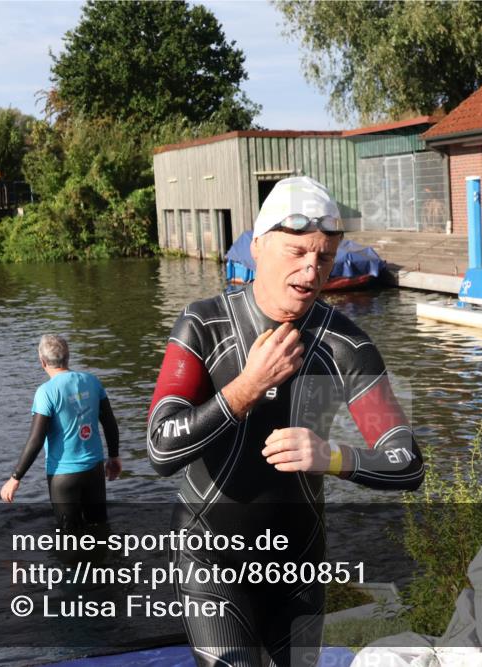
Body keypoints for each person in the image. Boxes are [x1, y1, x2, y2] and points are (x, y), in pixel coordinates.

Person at [147, 176, 424, 666]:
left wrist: (333, 456)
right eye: (296, 252)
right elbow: (161, 447)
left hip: (297, 563)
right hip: (210, 554)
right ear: (257, 247)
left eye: (323, 257)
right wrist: (246, 388)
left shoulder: (347, 346)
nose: (310, 270)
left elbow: (407, 463)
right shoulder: (203, 325)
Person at [0, 334, 122, 531]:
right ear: (68, 357)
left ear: (42, 361)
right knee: (100, 528)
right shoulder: (92, 381)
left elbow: (36, 439)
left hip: (63, 476)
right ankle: (103, 561)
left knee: (69, 538)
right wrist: (114, 457)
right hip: (94, 470)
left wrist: (15, 477)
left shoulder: (46, 392)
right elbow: (109, 423)